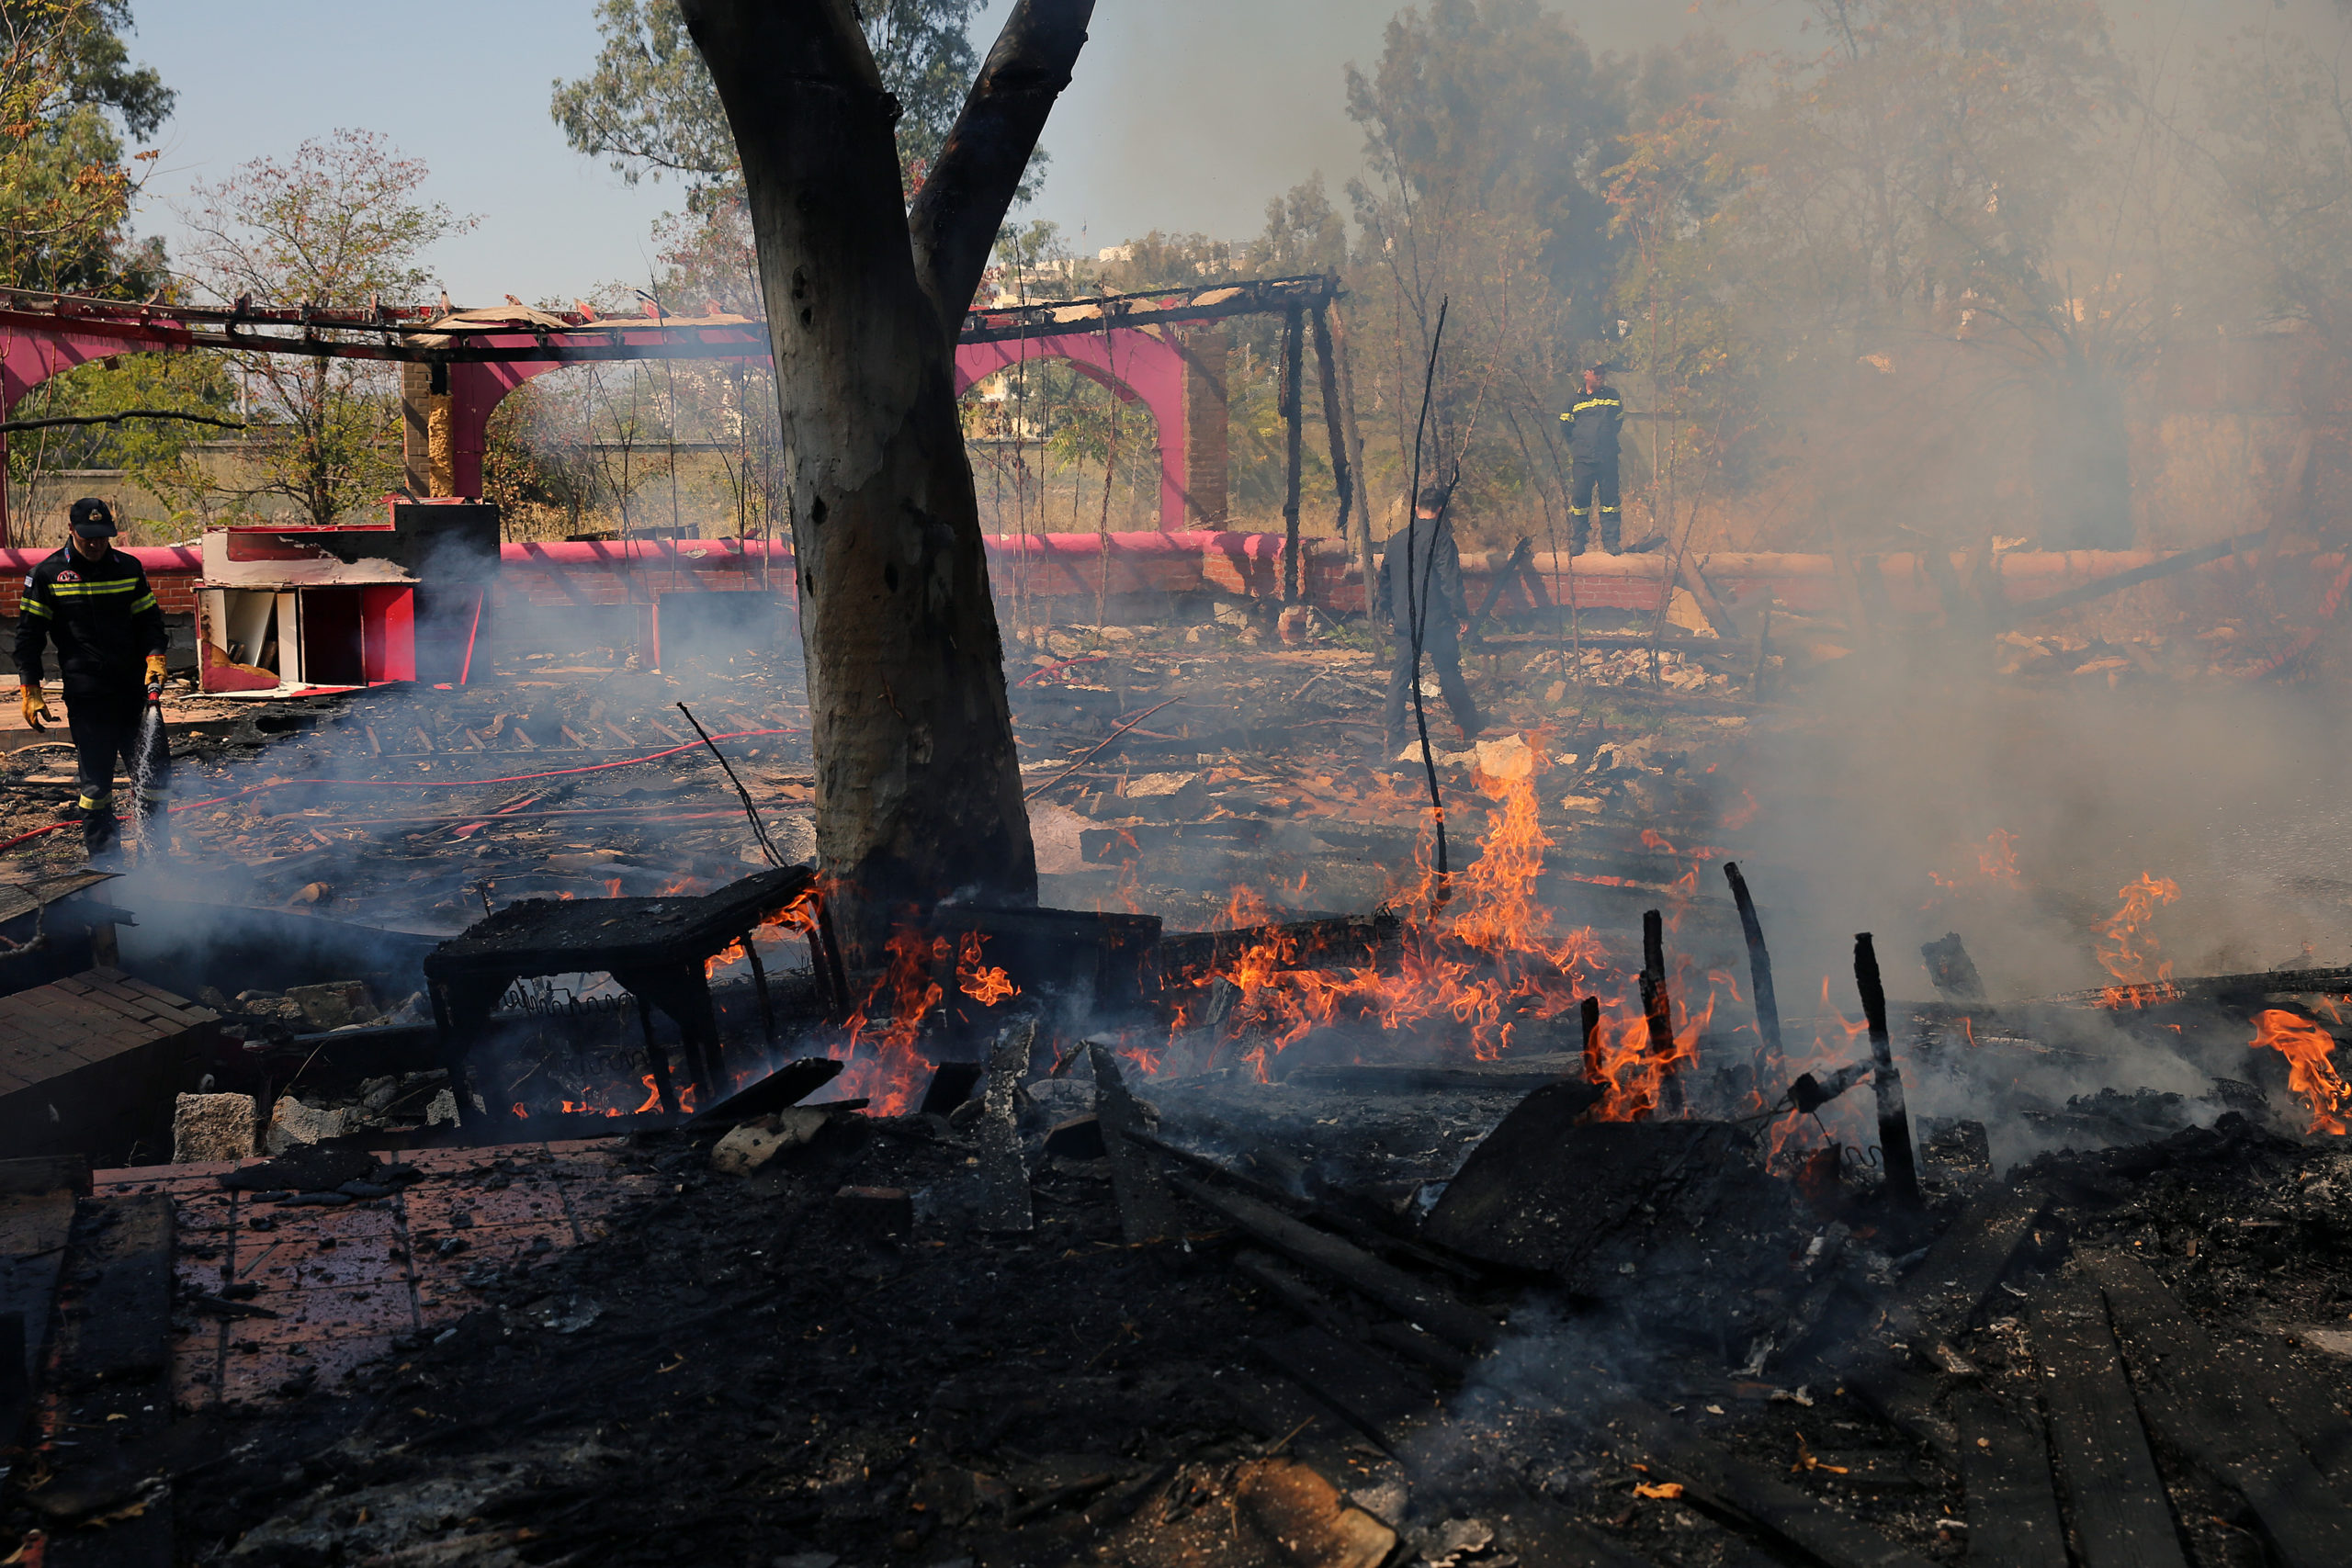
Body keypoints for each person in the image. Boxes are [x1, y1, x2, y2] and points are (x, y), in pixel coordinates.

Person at [15, 498, 169, 861]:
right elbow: (28, 637)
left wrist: (156, 656)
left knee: (155, 781)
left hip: (135, 692)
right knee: (96, 787)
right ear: (71, 531)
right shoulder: (47, 575)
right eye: (88, 538)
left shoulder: (129, 568)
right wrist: (30, 687)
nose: (97, 545)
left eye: (103, 537)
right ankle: (107, 866)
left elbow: (150, 623)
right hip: (88, 697)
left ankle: (158, 858)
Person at [1378, 482, 1480, 755]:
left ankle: (1394, 737)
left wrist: (1386, 611)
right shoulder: (1443, 539)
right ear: (1440, 510)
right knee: (1448, 671)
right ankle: (1467, 725)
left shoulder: (1398, 539)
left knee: (1400, 678)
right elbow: (1450, 580)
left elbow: (1385, 579)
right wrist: (1460, 613)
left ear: (1416, 509)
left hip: (1404, 622)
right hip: (1436, 621)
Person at [1562, 365, 1625, 553]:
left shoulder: (1613, 396)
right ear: (1586, 374)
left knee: (1610, 501)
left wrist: (1605, 443)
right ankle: (1578, 541)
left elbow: (1617, 422)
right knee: (1580, 500)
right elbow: (1565, 427)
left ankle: (1611, 542)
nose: (1600, 376)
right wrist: (1580, 445)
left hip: (1608, 458)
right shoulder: (1574, 400)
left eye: (1602, 373)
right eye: (1596, 373)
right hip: (1583, 459)